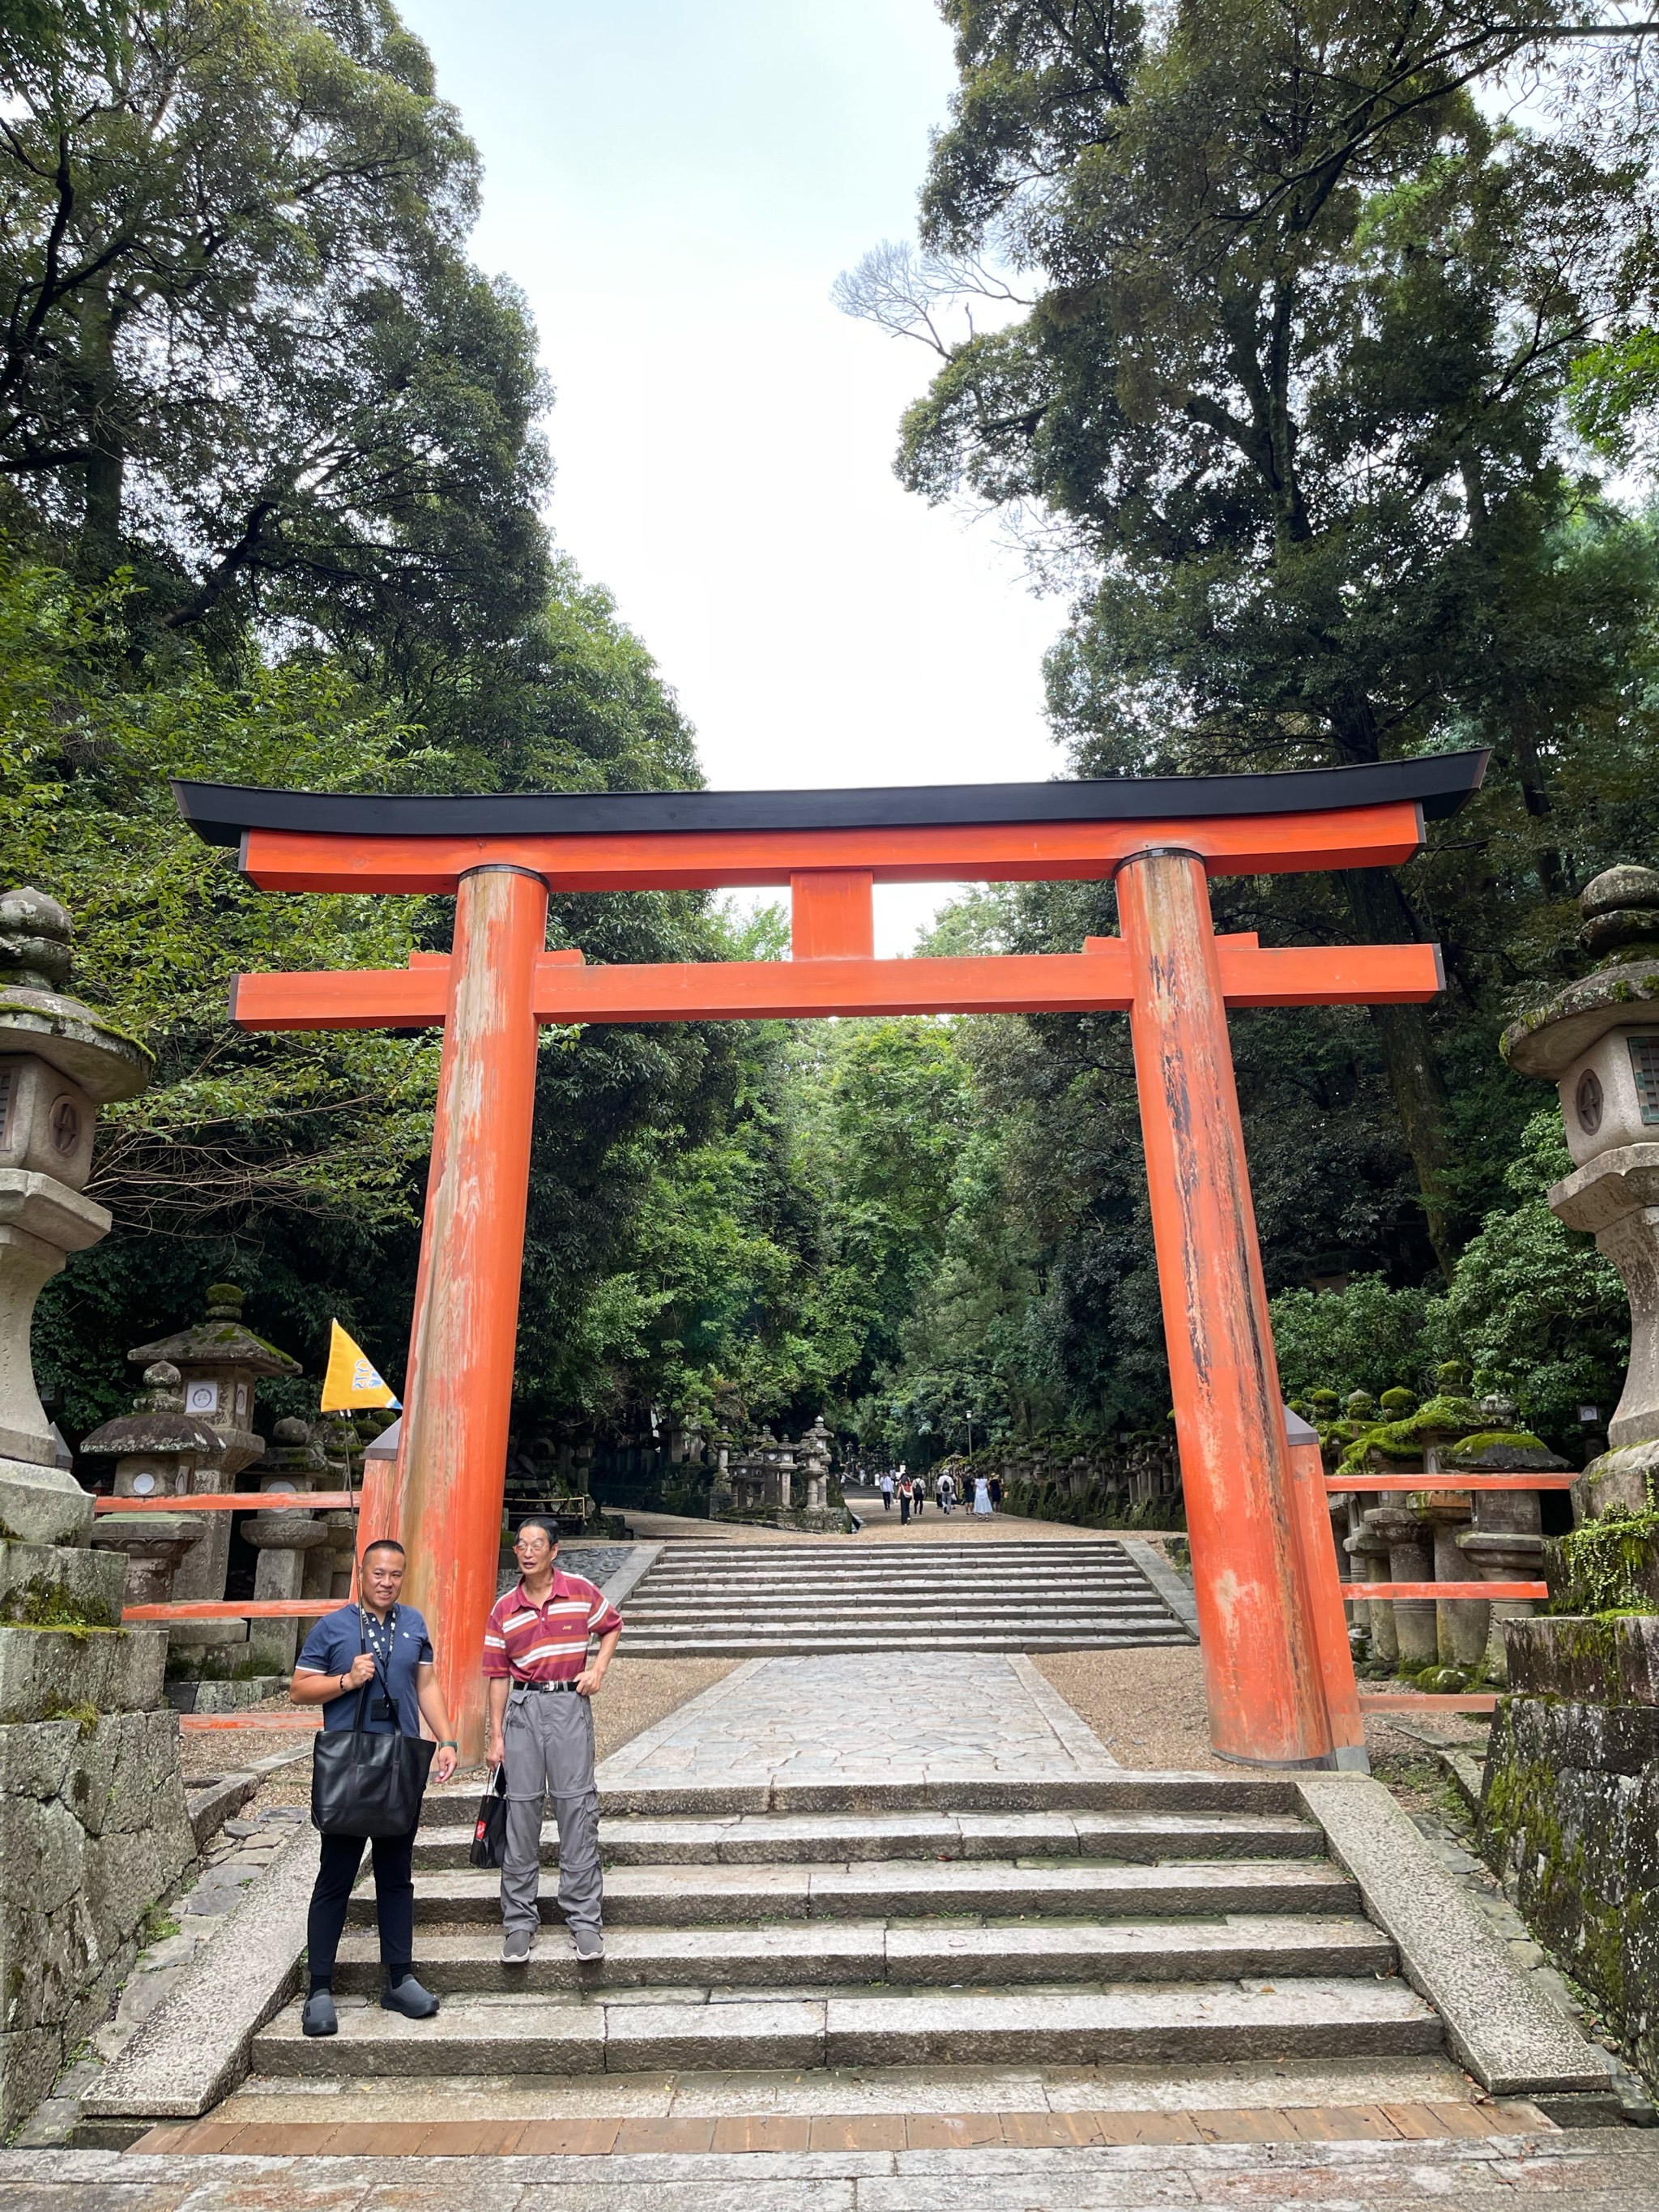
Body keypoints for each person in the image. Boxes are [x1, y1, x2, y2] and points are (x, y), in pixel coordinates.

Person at [290, 1537, 458, 2038]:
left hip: (400, 1763)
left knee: (396, 1874)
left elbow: (425, 1684)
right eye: (378, 1573)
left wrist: (446, 1738)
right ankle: (319, 1987)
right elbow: (299, 1688)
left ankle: (399, 1979)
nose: (386, 1582)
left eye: (395, 1575)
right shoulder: (334, 1627)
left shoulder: (414, 1625)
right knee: (336, 1875)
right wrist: (345, 1680)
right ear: (361, 1574)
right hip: (351, 1767)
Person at [485, 1515, 624, 1965]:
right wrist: (496, 1736)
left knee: (576, 1809)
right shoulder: (504, 1608)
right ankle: (519, 1922)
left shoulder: (580, 1590)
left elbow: (612, 1626)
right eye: (521, 1545)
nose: (526, 1552)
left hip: (568, 1706)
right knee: (521, 1813)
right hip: (523, 1710)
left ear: (554, 1550)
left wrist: (598, 1669)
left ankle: (585, 1920)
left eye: (536, 1544)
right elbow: (496, 1675)